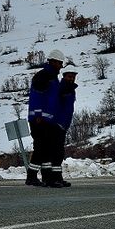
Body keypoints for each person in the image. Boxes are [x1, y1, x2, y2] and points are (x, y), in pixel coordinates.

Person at [26, 49, 77, 188]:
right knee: (41, 148)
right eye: (60, 63)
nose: (61, 66)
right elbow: (37, 97)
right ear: (53, 61)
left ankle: (48, 178)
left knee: (46, 149)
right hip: (40, 120)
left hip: (48, 120)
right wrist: (37, 115)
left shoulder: (53, 78)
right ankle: (31, 176)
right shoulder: (44, 76)